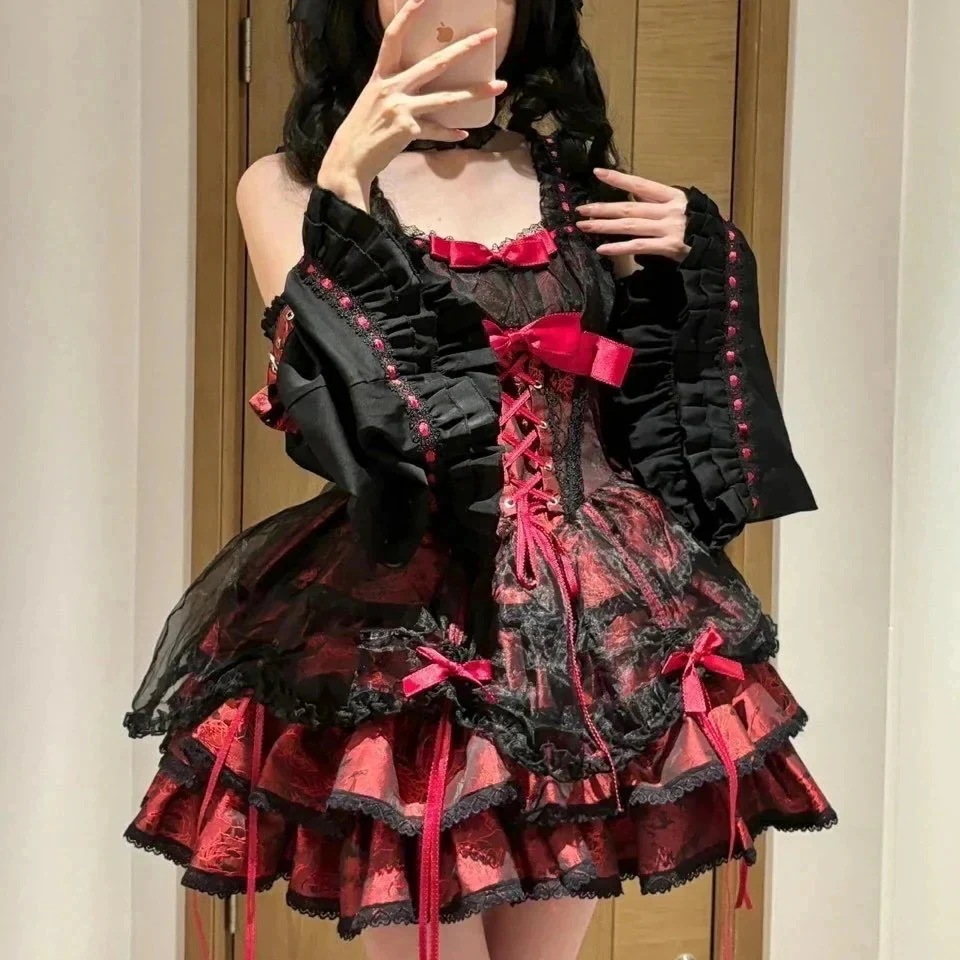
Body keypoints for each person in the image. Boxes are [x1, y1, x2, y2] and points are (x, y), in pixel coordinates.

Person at [124, 2, 836, 960]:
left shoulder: (570, 177)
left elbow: (655, 407)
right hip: (411, 620)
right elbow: (338, 406)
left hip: (586, 618)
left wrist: (703, 255)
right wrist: (344, 183)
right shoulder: (288, 183)